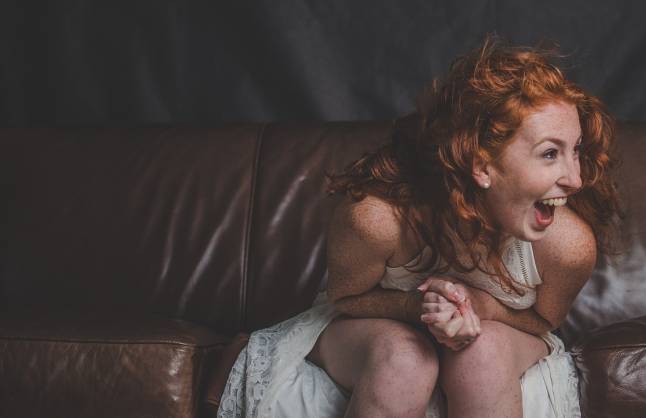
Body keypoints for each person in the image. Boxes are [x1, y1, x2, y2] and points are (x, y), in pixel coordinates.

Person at [218, 36, 621, 418]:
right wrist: (418, 308)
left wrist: (481, 307)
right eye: (550, 154)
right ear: (482, 166)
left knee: (481, 355)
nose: (575, 179)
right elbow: (345, 297)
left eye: (575, 150)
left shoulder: (568, 246)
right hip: (368, 336)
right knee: (406, 358)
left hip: (502, 345)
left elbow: (545, 321)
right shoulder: (376, 220)